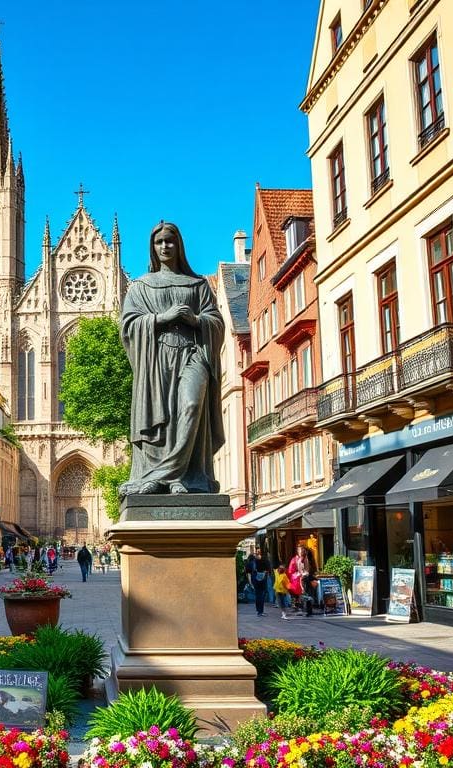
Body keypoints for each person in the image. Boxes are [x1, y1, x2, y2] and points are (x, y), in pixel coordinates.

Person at [119, 222, 224, 496]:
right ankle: (164, 479)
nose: (165, 246)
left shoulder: (198, 284)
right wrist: (161, 318)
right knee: (161, 420)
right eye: (159, 242)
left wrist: (198, 320)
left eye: (170, 241)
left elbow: (216, 321)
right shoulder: (140, 287)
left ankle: (177, 474)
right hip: (156, 359)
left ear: (179, 245)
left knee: (190, 406)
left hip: (192, 354)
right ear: (152, 248)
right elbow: (129, 326)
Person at [288, 545, 317, 617]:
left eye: (300, 550)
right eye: (299, 550)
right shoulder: (304, 558)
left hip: (305, 578)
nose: (299, 552)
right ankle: (307, 610)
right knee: (307, 594)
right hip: (306, 578)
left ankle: (306, 610)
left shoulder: (303, 559)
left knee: (306, 594)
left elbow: (304, 570)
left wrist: (301, 575)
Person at [245, 547, 272, 617]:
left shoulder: (252, 562)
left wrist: (250, 582)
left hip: (255, 580)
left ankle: (258, 611)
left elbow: (248, 573)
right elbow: (269, 570)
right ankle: (261, 611)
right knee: (262, 595)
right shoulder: (265, 560)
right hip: (263, 580)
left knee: (258, 595)